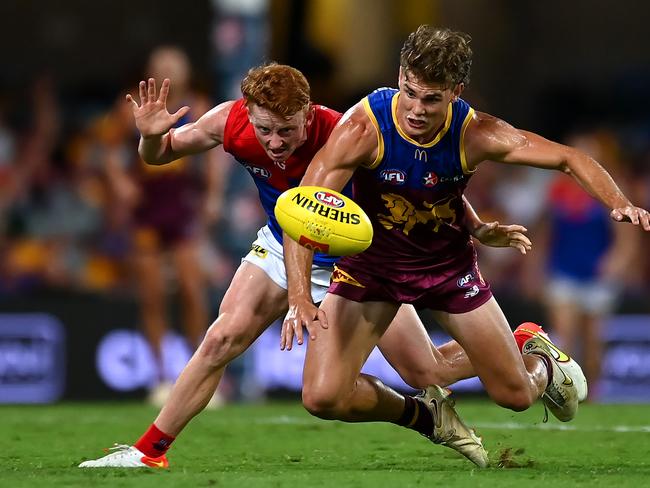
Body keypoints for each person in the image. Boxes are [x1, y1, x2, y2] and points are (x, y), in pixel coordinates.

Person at [79, 62, 534, 469]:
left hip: (359, 261)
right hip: (282, 244)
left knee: (427, 371)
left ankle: (521, 344)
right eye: (265, 130)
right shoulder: (229, 121)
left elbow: (421, 186)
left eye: (287, 130)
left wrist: (473, 225)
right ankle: (148, 451)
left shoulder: (344, 130)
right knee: (221, 338)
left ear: (309, 113)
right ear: (248, 112)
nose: (275, 143)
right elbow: (160, 155)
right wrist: (151, 134)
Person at [281, 24, 649, 460]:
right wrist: (299, 296)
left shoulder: (477, 134)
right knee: (323, 396)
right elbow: (304, 210)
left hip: (446, 269)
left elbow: (570, 158)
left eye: (431, 98)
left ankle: (539, 360)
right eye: (410, 91)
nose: (416, 109)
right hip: (370, 268)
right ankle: (425, 417)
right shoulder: (363, 128)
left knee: (515, 395)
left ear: (455, 91)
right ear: (400, 75)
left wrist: (619, 201)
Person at [101, 46, 224, 405]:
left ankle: (198, 377)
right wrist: (119, 183)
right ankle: (159, 379)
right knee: (152, 296)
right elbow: (107, 150)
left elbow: (216, 151)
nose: (169, 69)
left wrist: (214, 194)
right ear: (151, 70)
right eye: (162, 65)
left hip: (181, 204)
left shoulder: (197, 105)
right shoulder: (132, 107)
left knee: (191, 290)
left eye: (175, 64)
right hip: (147, 205)